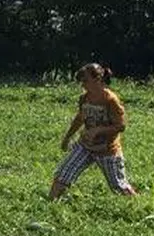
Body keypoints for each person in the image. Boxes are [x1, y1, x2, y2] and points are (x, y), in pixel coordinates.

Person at [49, 63, 136, 199]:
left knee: (119, 186)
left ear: (98, 79)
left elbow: (121, 126)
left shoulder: (110, 100)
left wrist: (98, 130)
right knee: (63, 175)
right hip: (85, 145)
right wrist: (67, 138)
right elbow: (80, 118)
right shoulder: (84, 98)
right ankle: (50, 203)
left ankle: (138, 205)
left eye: (86, 81)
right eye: (81, 81)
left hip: (107, 149)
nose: (83, 85)